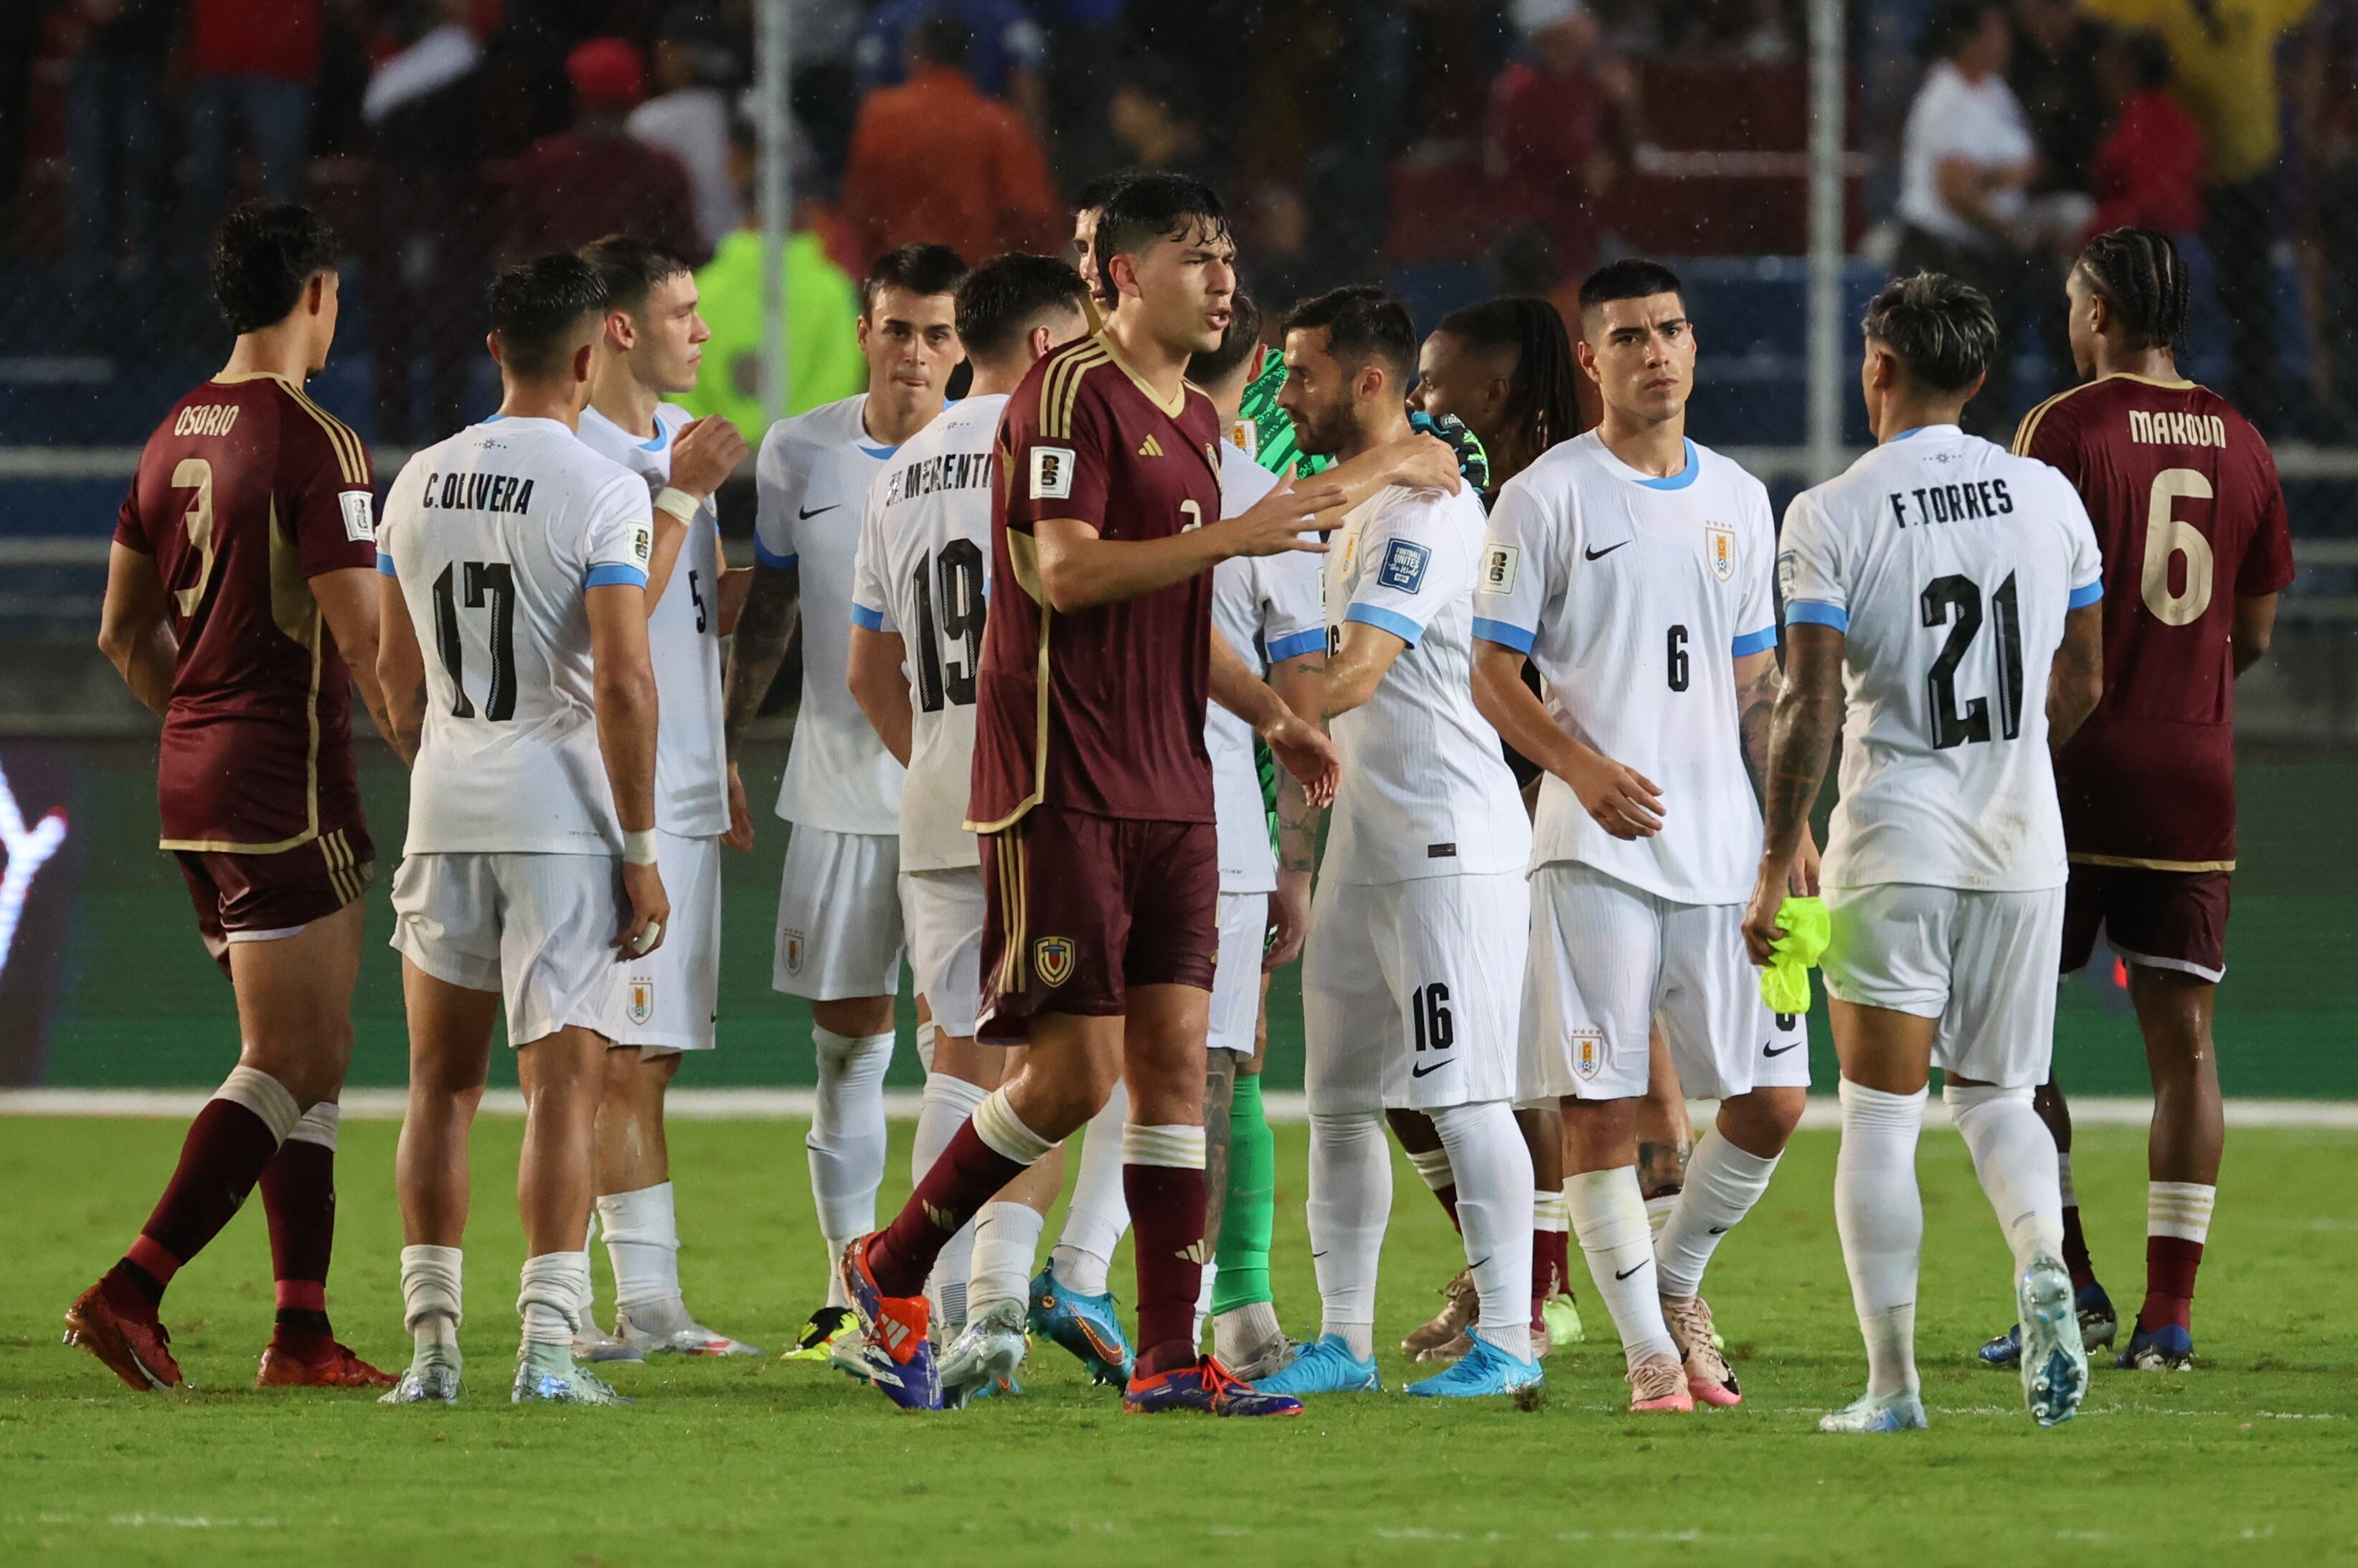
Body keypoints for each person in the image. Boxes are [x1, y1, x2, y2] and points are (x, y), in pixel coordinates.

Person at [834, 172, 1378, 1416]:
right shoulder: (1065, 393)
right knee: (1073, 1077)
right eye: (1197, 257)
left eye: (1229, 255)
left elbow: (1171, 616)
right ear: (1125, 276)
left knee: (1174, 1068)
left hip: (1175, 784)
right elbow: (1070, 575)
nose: (1224, 279)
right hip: (1061, 779)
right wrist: (1233, 540)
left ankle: (1170, 1360)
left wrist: (1274, 719)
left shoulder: (1190, 420)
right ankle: (894, 1261)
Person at [1744, 270, 2106, 1434]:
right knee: (1999, 1095)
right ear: (1981, 377)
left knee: (1883, 1113)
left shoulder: (1832, 512)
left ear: (1877, 367)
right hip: (2022, 841)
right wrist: (2012, 759)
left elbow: (1805, 705)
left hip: (1895, 837)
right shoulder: (2048, 495)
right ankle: (2042, 1260)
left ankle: (1891, 1385)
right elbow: (2086, 674)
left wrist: (1773, 853)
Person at [372, 254, 720, 1407]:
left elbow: (390, 670)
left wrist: (441, 765)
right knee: (561, 1092)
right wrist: (638, 849)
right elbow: (624, 680)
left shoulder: (417, 478)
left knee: (438, 1089)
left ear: (493, 351)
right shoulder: (602, 489)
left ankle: (429, 1353)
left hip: (444, 805)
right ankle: (548, 1352)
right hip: (560, 824)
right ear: (589, 358)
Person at [1471, 260, 1811, 1415]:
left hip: (1721, 847)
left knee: (1773, 1098)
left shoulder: (1737, 496)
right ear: (1588, 359)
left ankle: (1673, 1286)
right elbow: (1489, 673)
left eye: (1669, 330)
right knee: (1600, 1111)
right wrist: (1577, 766)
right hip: (1592, 847)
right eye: (1626, 337)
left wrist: (1787, 826)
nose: (1653, 352)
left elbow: (1758, 682)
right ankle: (1648, 1358)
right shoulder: (1544, 495)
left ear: (1694, 346)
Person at [68, 201, 395, 1394]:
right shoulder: (317, 441)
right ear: (316, 291)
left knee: (311, 1054)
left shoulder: (168, 435)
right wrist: (425, 739)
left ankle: (301, 1331)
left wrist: (197, 717)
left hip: (192, 776)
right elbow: (361, 637)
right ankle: (132, 1288)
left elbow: (119, 631)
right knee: (290, 1051)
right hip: (282, 783)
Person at [1972, 227, 2293, 1374]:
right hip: (2190, 773)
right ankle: (2168, 1316)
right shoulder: (2243, 440)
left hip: (2065, 767)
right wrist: (2183, 692)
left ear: (2099, 310)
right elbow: (2248, 631)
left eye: (2071, 300)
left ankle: (2067, 1279)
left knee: (2007, 1047)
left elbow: (2029, 605)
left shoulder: (2059, 428)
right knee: (2185, 1049)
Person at [846, 253, 1139, 1401]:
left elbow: (871, 666)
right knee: (1055, 1064)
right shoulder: (1062, 455)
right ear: (1039, 347)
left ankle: (913, 1325)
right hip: (1045, 792)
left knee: (960, 1065)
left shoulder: (903, 467)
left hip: (935, 788)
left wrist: (937, 750)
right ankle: (981, 1307)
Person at [1256, 285, 1541, 1401]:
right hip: (1365, 842)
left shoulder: (1425, 514)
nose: (1287, 395)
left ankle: (1511, 1338)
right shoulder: (1368, 499)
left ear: (1364, 382)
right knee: (1335, 1099)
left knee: (1465, 1095)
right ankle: (1344, 1338)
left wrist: (1243, 706)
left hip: (1445, 841)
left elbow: (1357, 675)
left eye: (1303, 376)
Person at [724, 242, 967, 1365]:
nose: (913, 353)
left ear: (960, 347)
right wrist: (724, 745)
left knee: (966, 1051)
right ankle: (846, 1288)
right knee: (845, 1051)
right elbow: (771, 605)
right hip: (835, 791)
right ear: (865, 331)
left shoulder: (997, 450)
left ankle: (950, 1292)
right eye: (896, 329)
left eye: (936, 333)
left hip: (966, 795)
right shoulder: (799, 451)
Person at [570, 235, 758, 1361]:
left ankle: (646, 1305)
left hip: (687, 776)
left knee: (656, 1054)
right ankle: (610, 1309)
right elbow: (614, 632)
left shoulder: (669, 449)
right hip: (615, 792)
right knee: (608, 1056)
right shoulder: (588, 459)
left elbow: (688, 620)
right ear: (622, 330)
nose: (702, 329)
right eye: (682, 311)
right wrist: (684, 493)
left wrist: (723, 745)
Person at [1182, 294, 1329, 1382]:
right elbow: (1297, 691)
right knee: (1213, 1064)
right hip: (1219, 828)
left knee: (1056, 1059)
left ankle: (982, 1294)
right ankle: (1189, 1311)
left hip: (1093, 808)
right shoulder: (1266, 494)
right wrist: (1293, 862)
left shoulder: (1071, 469)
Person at [1895, 1, 2041, 440]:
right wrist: (2013, 228)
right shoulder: (1946, 98)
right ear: (1968, 41)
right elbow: (1955, 190)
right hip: (1943, 256)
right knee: (1949, 369)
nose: (2006, 44)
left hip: (1986, 256)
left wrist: (1990, 178)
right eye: (1996, 34)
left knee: (1991, 364)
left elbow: (2031, 164)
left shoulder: (1995, 92)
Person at [677, 113, 868, 430]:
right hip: (803, 469)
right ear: (805, 210)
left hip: (714, 466)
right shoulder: (832, 290)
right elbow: (839, 383)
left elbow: (677, 384)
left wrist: (717, 443)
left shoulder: (698, 290)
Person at [839, 16, 1060, 270]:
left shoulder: (879, 116)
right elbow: (1031, 214)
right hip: (972, 284)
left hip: (899, 280)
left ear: (916, 53)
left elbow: (861, 208)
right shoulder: (997, 123)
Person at [493, 38, 704, 269]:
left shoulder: (544, 161)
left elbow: (514, 248)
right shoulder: (661, 168)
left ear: (576, 94)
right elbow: (684, 254)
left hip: (560, 293)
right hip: (634, 296)